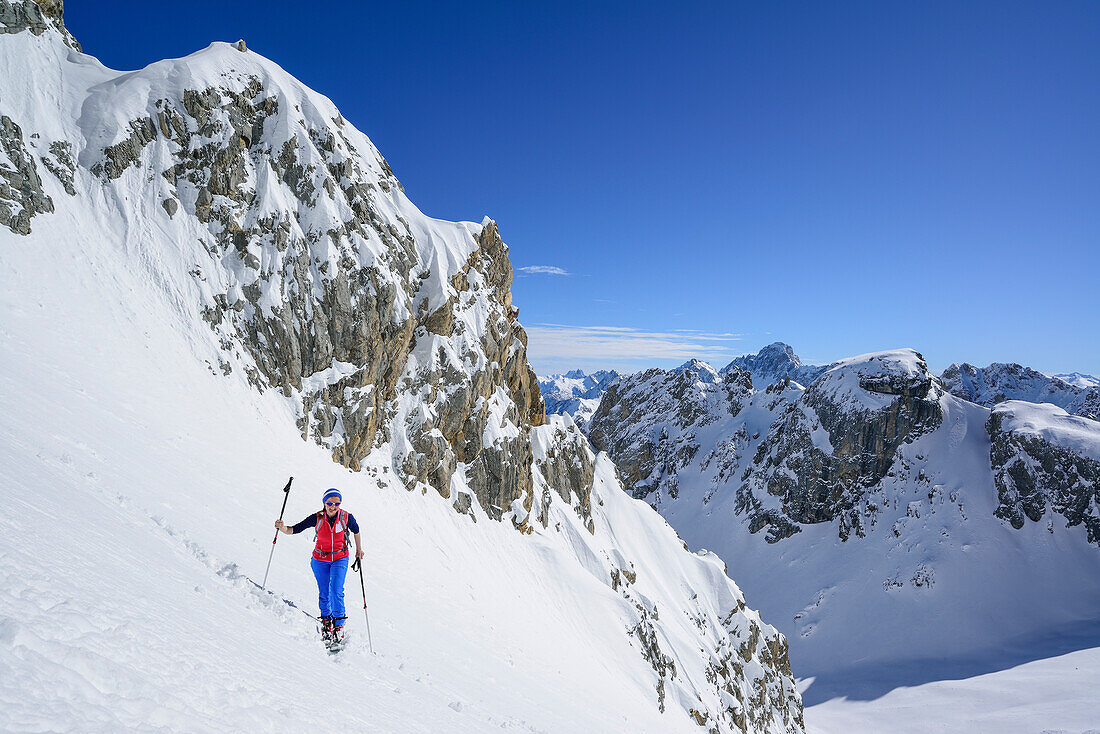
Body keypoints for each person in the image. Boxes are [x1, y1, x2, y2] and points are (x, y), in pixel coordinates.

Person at [275, 488, 364, 643]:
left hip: (340, 557)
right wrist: (282, 528)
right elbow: (295, 529)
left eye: (337, 503)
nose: (333, 506)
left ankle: (339, 625)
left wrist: (359, 549)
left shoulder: (346, 517)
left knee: (336, 590)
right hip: (320, 559)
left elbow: (356, 530)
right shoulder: (317, 518)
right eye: (330, 503)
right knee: (324, 592)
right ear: (324, 503)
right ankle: (326, 621)